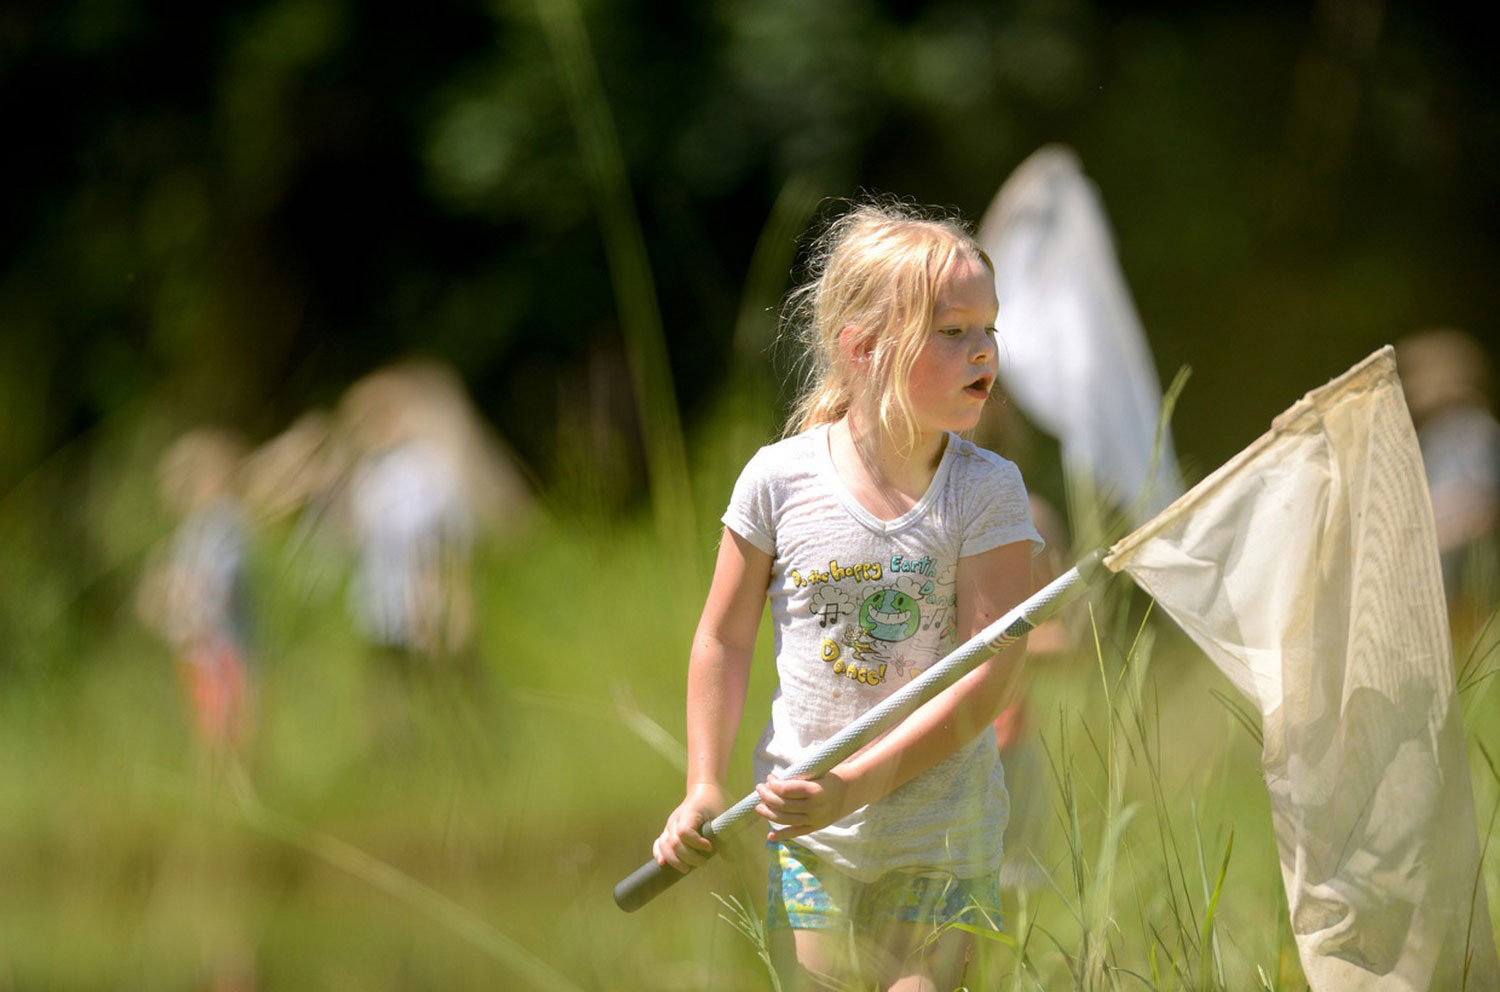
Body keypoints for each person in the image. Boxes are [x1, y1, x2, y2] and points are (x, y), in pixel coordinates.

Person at [651, 201, 1044, 991]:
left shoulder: (988, 491)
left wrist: (855, 788)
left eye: (988, 329)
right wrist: (703, 784)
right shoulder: (778, 480)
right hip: (809, 839)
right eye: (953, 330)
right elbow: (721, 640)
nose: (985, 352)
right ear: (862, 348)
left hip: (941, 831)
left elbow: (990, 672)